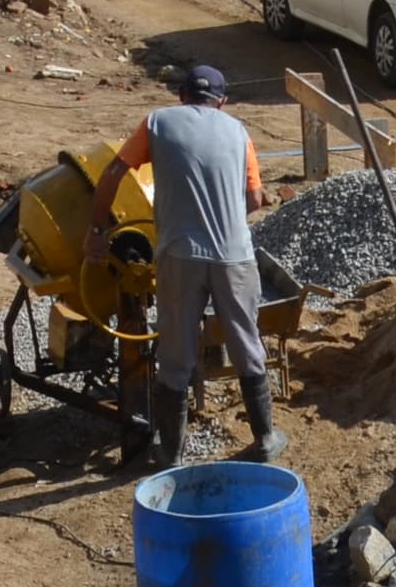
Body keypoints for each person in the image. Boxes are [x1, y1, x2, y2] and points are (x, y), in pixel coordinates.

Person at [89, 64, 275, 465]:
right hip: (234, 255)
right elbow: (256, 200)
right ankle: (265, 440)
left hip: (178, 254)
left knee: (176, 356)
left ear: (181, 96)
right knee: (247, 344)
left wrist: (96, 231)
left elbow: (113, 172)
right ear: (221, 102)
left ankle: (170, 455)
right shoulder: (238, 132)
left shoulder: (157, 122)